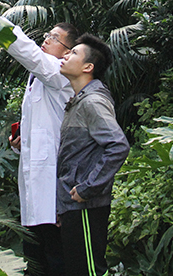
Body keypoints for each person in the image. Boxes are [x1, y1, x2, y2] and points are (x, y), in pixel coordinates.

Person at [0, 0, 78, 276]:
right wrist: (21, 141)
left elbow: (26, 51)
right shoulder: (39, 76)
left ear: (67, 52)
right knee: (35, 252)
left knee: (55, 255)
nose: (46, 39)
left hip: (53, 178)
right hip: (35, 176)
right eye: (48, 35)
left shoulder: (59, 72)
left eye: (54, 38)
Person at [56, 34, 130, 276]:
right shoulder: (79, 101)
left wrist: (88, 188)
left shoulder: (92, 102)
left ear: (88, 67)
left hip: (85, 206)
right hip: (74, 206)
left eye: (73, 53)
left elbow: (118, 145)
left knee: (90, 271)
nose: (66, 55)